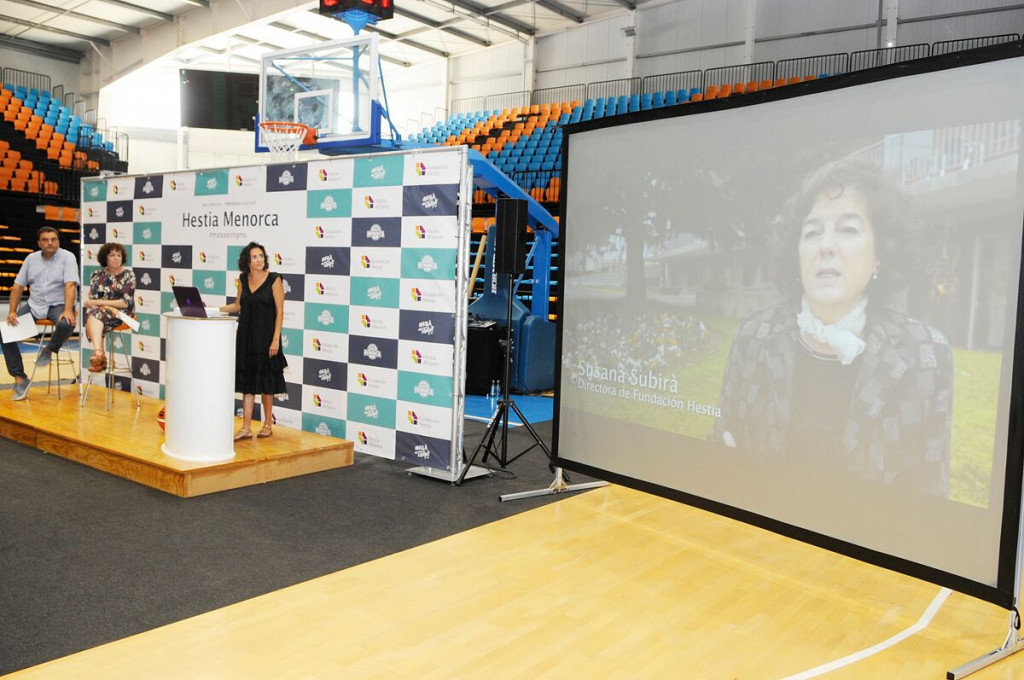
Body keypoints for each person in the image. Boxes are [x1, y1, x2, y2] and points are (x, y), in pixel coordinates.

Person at [710, 159, 953, 496]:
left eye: (848, 229)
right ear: (796, 254)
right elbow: (721, 447)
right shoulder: (754, 335)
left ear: (881, 252)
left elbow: (930, 501)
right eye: (812, 233)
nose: (826, 246)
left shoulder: (925, 355)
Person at [219, 242, 287, 441]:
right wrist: (214, 309)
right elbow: (237, 305)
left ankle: (268, 424)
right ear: (247, 261)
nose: (259, 260)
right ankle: (246, 427)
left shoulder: (274, 280)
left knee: (267, 383)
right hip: (246, 338)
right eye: (255, 257)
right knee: (248, 384)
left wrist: (275, 339)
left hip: (267, 338)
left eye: (261, 256)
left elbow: (280, 311)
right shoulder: (242, 278)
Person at [3, 226, 80, 401]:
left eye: (53, 239)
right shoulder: (31, 259)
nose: (50, 243)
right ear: (39, 243)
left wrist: (68, 309)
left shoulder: (68, 257)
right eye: (45, 240)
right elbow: (17, 287)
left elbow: (70, 285)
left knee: (67, 323)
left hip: (58, 304)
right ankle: (20, 378)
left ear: (58, 241)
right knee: (6, 333)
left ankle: (49, 349)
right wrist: (12, 311)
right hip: (35, 304)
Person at [82, 242, 136, 373]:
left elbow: (125, 302)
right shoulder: (96, 275)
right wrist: (105, 306)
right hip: (102, 311)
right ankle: (99, 354)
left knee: (93, 312)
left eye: (119, 255)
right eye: (112, 255)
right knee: (94, 312)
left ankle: (99, 355)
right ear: (104, 258)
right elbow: (93, 300)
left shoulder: (128, 275)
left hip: (122, 313)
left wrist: (101, 304)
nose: (116, 258)